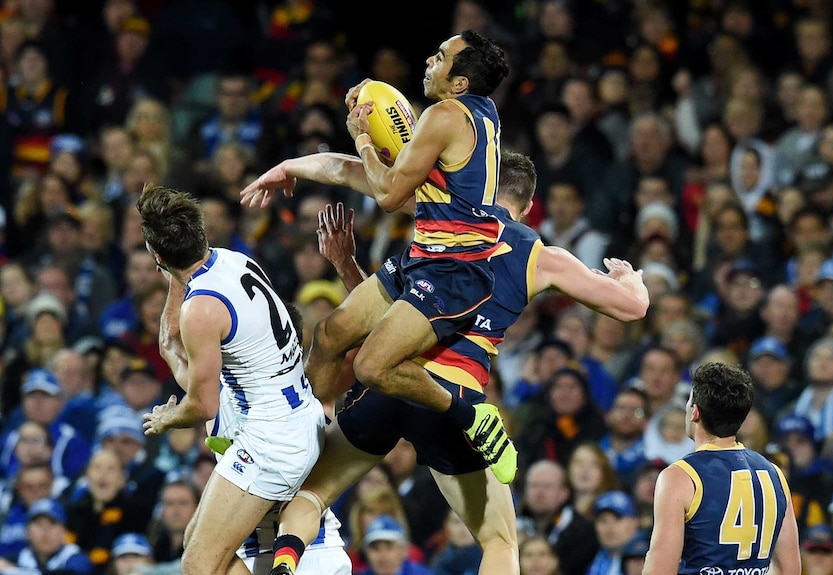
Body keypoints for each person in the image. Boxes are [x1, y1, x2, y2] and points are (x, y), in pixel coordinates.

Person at [253, 150, 647, 575]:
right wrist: (631, 280)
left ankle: (287, 561)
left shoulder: (440, 211)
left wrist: (291, 169)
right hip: (453, 396)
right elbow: (632, 309)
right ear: (530, 207)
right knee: (499, 542)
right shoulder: (541, 257)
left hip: (385, 387)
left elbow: (351, 173)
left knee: (311, 496)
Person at [240, 29, 519, 484]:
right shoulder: (475, 114)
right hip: (424, 256)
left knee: (371, 366)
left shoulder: (445, 115)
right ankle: (289, 437)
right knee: (331, 334)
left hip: (454, 272)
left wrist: (363, 137)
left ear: (460, 83)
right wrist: (290, 167)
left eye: (441, 56)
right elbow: (359, 175)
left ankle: (471, 415)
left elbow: (387, 193)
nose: (429, 59)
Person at [136, 184, 326, 575]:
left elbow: (201, 404)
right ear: (202, 235)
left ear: (157, 256)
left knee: (198, 566)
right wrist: (172, 275)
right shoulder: (235, 260)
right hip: (296, 412)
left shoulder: (201, 310)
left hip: (271, 441)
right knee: (198, 545)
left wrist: (167, 418)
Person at [642, 363, 801, 575]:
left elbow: (660, 570)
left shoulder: (679, 477)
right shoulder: (774, 474)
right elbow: (789, 569)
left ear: (695, 412)